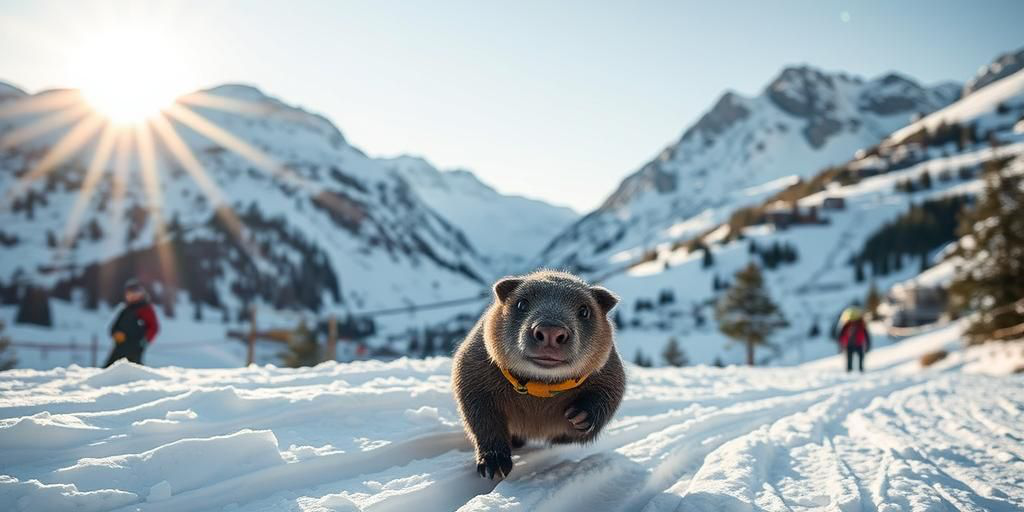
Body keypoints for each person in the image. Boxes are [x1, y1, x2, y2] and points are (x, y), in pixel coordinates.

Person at [103, 279, 159, 367]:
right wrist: (115, 333)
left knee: (132, 370)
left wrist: (145, 340)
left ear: (141, 294)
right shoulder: (125, 310)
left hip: (135, 346)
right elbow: (114, 326)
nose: (132, 296)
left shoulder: (145, 309)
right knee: (109, 369)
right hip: (120, 346)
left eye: (135, 293)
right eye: (130, 293)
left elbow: (154, 327)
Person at [836, 306, 870, 372]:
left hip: (853, 344)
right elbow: (866, 335)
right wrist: (868, 344)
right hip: (853, 344)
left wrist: (840, 345)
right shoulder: (858, 324)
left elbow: (840, 335)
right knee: (853, 358)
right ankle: (854, 370)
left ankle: (856, 370)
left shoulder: (858, 324)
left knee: (855, 358)